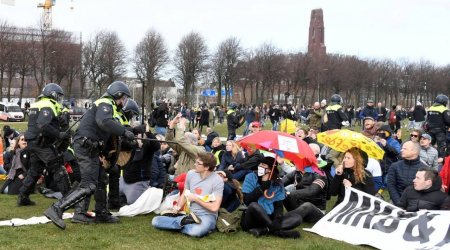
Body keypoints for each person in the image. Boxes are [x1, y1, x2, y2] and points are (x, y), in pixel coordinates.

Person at [44, 81, 134, 229]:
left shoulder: (107, 106)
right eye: (123, 98)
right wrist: (124, 132)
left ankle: (100, 213)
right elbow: (104, 121)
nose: (123, 102)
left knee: (100, 179)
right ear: (117, 94)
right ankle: (56, 209)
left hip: (90, 146)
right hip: (86, 145)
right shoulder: (106, 103)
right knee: (88, 184)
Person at [18, 83, 71, 206]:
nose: (59, 98)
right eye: (58, 96)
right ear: (52, 94)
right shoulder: (48, 104)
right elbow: (43, 125)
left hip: (32, 142)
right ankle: (69, 198)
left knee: (35, 170)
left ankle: (23, 196)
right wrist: (59, 134)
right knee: (58, 167)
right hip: (42, 143)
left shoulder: (36, 104)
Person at [241, 155, 320, 238]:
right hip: (252, 218)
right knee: (254, 205)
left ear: (270, 170)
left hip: (269, 217)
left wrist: (277, 219)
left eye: (263, 165)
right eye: (260, 164)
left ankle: (265, 229)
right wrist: (262, 187)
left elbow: (278, 206)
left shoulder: (277, 183)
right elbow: (247, 200)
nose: (260, 166)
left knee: (297, 218)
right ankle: (278, 232)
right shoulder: (250, 177)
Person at [152, 152, 224, 237]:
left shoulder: (217, 180)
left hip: (207, 216)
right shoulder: (191, 174)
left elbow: (214, 207)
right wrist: (177, 208)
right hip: (190, 214)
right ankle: (184, 221)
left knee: (195, 231)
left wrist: (196, 199)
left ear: (207, 167)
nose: (194, 164)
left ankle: (180, 222)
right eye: (195, 161)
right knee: (155, 221)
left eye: (198, 163)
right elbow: (185, 194)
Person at [387, 141, 429, 206]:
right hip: (396, 203)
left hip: (416, 205)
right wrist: (399, 203)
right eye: (402, 148)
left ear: (414, 151)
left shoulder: (425, 169)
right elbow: (391, 185)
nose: (401, 150)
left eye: (405, 149)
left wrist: (414, 205)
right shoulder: (395, 166)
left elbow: (425, 189)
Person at [426, 94, 450, 163]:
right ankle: (441, 160)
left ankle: (427, 157)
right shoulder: (444, 109)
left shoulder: (430, 108)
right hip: (440, 131)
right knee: (442, 145)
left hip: (430, 130)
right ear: (444, 102)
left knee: (429, 144)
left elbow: (427, 119)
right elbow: (448, 121)